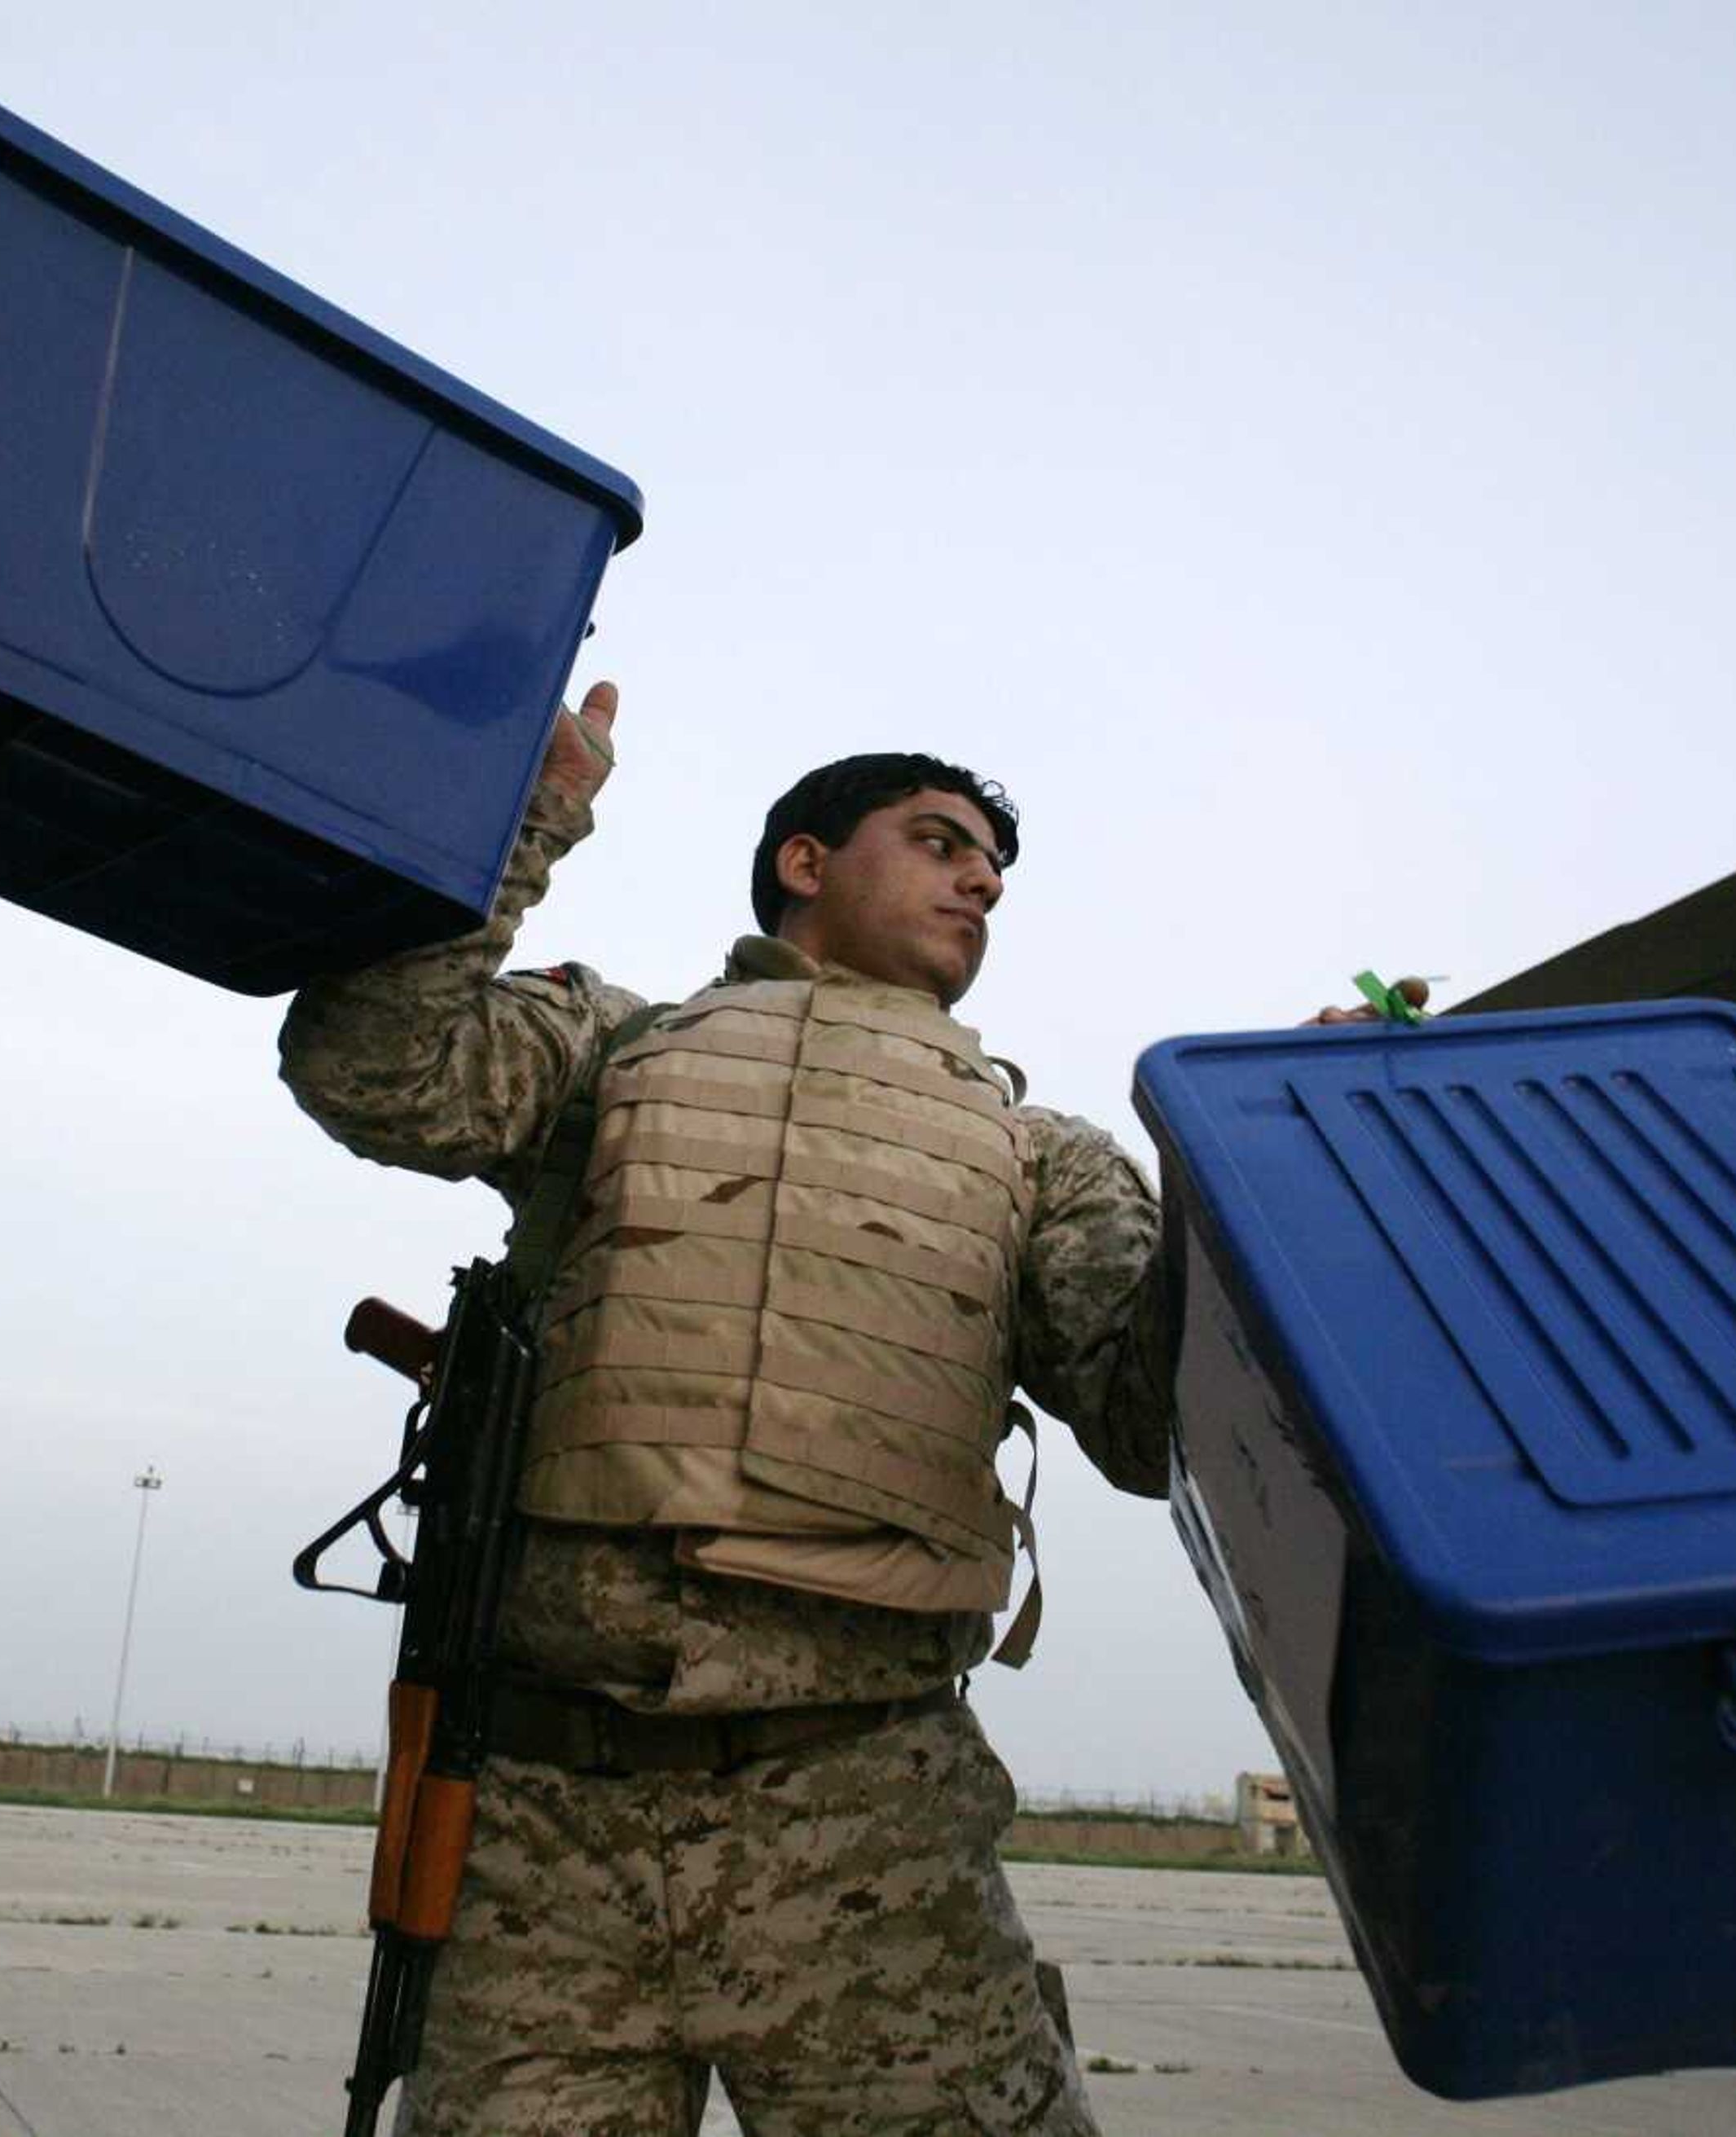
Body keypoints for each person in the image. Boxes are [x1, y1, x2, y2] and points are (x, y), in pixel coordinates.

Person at [276, 683, 1186, 2133]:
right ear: (805, 863)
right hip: (541, 1829)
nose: (981, 881)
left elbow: (1149, 1428)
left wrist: (1238, 1187)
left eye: (996, 874)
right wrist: (526, 814)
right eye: (941, 840)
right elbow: (375, 1066)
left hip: (869, 1825)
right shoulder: (617, 1054)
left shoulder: (1039, 1158)